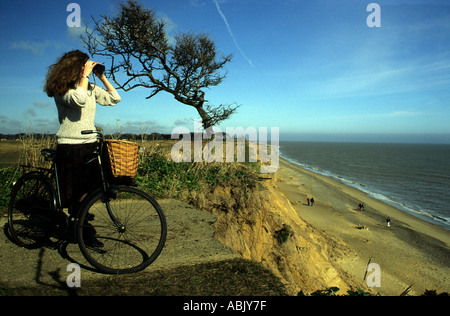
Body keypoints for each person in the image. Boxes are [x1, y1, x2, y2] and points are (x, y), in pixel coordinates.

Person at [44, 50, 121, 217]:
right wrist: (85, 76)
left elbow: (114, 99)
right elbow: (79, 100)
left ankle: (80, 222)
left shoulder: (90, 88)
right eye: (83, 66)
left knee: (92, 187)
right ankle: (79, 224)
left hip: (90, 143)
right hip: (71, 145)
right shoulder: (61, 88)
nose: (86, 69)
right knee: (74, 191)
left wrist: (101, 77)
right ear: (73, 67)